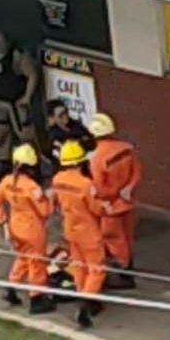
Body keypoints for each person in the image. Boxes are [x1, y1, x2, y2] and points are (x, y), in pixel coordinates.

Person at [0, 143, 55, 315]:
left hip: (15, 226)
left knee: (23, 258)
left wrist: (3, 222)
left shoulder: (7, 181)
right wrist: (49, 198)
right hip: (32, 230)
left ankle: (11, 288)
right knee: (37, 263)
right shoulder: (32, 187)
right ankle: (36, 299)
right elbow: (45, 211)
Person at [50, 140, 111, 329]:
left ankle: (87, 299)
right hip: (88, 231)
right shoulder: (86, 184)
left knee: (78, 266)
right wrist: (105, 207)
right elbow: (95, 208)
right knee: (97, 269)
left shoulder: (57, 179)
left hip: (70, 229)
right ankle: (86, 304)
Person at [0, 28, 39, 184]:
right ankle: (5, 164)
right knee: (0, 133)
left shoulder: (17, 55)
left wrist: (27, 97)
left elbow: (32, 74)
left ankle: (33, 166)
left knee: (25, 133)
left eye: (0, 40)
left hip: (16, 101)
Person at [88, 113, 142, 289]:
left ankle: (124, 274)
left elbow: (99, 187)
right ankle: (127, 270)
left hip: (110, 206)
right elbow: (137, 172)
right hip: (127, 201)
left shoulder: (97, 158)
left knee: (114, 240)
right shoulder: (127, 148)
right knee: (127, 237)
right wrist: (128, 188)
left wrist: (100, 199)